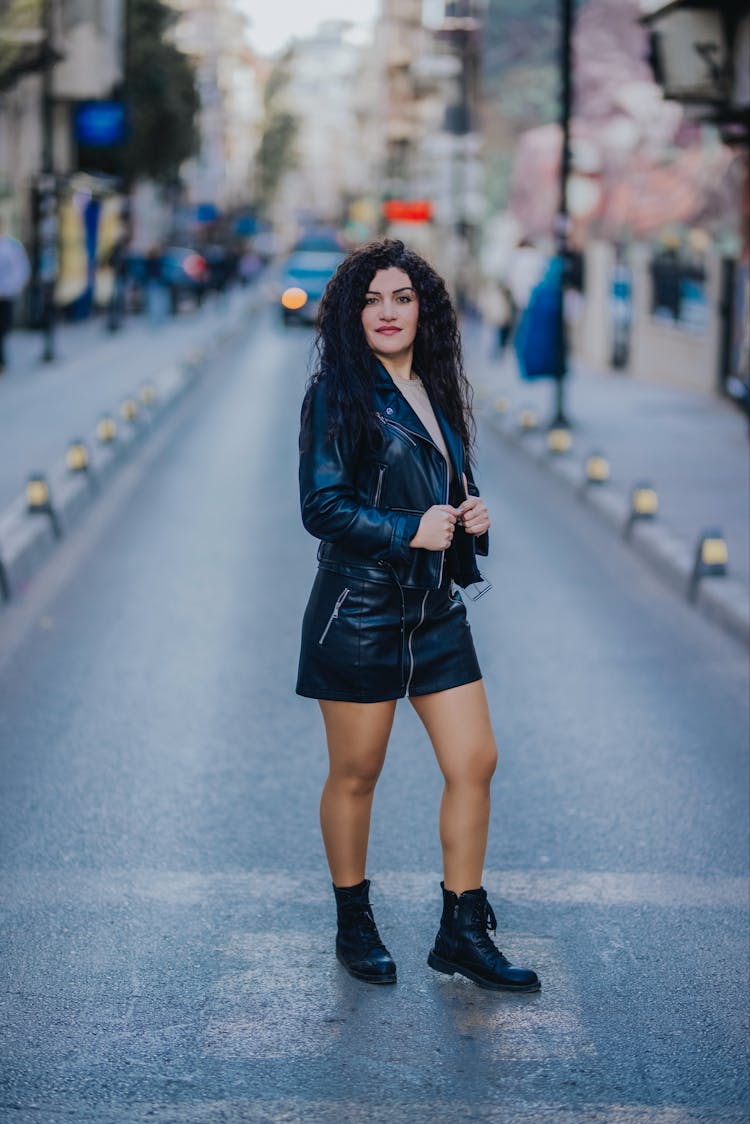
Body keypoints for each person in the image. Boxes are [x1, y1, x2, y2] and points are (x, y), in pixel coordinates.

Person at [297, 239, 540, 993]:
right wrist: (408, 529)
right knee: (357, 773)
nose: (388, 311)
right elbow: (322, 506)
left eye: (402, 297)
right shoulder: (337, 393)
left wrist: (471, 517)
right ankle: (354, 922)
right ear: (351, 314)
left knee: (476, 762)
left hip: (435, 610)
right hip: (361, 609)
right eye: (371, 299)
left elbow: (436, 484)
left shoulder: (434, 389)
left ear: (423, 309)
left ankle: (462, 929)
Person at [0, 220, 31, 373]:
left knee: (3, 329)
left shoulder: (12, 245)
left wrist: (9, 288)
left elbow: (21, 269)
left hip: (5, 295)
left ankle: (3, 362)